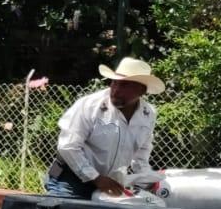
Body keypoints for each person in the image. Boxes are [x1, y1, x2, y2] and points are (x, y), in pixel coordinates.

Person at [46, 57, 163, 199]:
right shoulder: (89, 106)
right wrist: (96, 178)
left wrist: (147, 179)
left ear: (142, 90)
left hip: (110, 183)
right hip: (70, 180)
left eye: (125, 85)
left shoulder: (148, 114)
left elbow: (141, 154)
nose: (116, 90)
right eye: (114, 83)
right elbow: (68, 146)